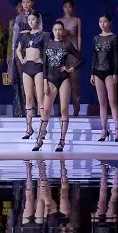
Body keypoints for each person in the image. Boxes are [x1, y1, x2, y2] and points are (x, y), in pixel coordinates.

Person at [33, 21, 81, 152]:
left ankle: (62, 141)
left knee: (64, 110)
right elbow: (44, 65)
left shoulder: (67, 44)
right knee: (46, 110)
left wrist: (71, 68)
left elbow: (80, 59)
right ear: (53, 31)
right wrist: (44, 82)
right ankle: (39, 140)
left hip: (64, 79)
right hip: (50, 80)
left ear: (63, 31)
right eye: (55, 30)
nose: (58, 32)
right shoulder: (48, 44)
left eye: (60, 30)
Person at [90, 14, 118, 142]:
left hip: (109, 71)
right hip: (97, 72)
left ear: (110, 23)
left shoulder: (113, 37)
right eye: (100, 21)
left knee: (112, 101)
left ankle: (117, 130)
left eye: (105, 21)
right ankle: (104, 130)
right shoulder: (96, 38)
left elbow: (116, 56)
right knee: (102, 103)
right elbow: (94, 56)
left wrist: (115, 73)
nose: (102, 24)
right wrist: (92, 73)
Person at [15, 12, 46, 140]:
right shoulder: (24, 35)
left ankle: (43, 129)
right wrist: (22, 59)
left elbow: (48, 51)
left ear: (38, 20)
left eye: (33, 19)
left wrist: (42, 60)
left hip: (38, 67)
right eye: (29, 20)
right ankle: (29, 128)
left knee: (40, 97)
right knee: (28, 98)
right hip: (27, 68)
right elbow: (18, 49)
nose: (31, 22)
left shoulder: (44, 35)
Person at [58, 0, 82, 116]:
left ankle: (76, 108)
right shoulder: (59, 21)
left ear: (73, 8)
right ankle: (61, 108)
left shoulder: (77, 20)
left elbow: (79, 36)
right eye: (65, 7)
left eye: (70, 7)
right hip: (62, 52)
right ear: (63, 8)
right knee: (61, 80)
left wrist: (79, 51)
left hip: (73, 52)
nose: (68, 9)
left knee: (74, 81)